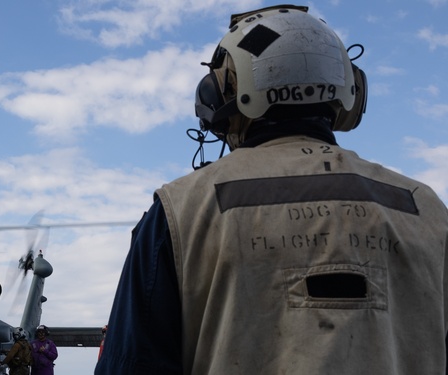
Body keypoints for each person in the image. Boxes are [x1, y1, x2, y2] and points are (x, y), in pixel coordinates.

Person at [95, 4, 448, 375]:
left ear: (221, 93)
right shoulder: (426, 209)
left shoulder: (180, 210)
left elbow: (130, 365)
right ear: (350, 89)